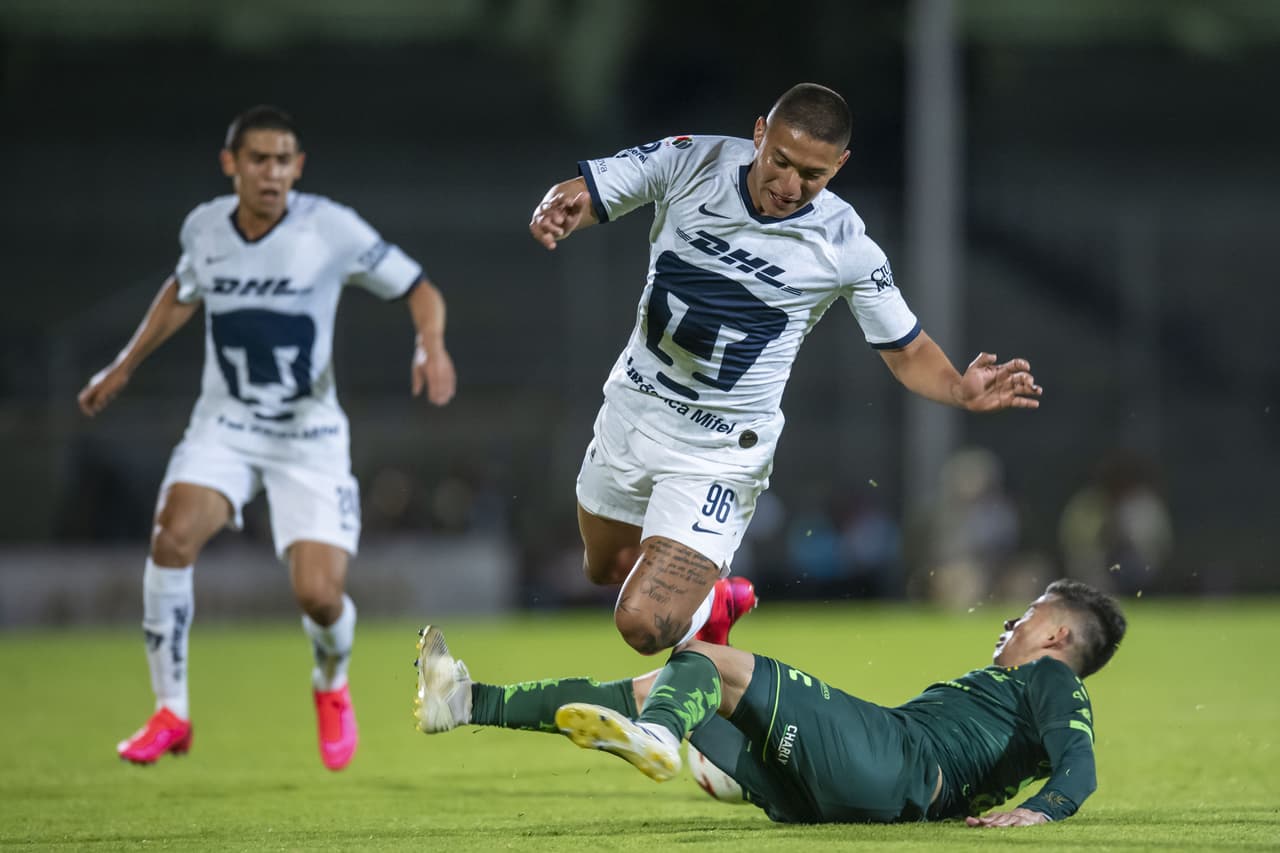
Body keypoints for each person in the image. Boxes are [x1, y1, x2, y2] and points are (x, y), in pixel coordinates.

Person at [527, 82, 1042, 658]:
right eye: (781, 161)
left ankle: (709, 633)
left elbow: (907, 347)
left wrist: (958, 388)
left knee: (644, 623)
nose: (791, 186)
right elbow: (590, 190)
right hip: (633, 410)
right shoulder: (690, 160)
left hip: (720, 449)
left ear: (839, 166)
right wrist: (562, 206)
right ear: (758, 136)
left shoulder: (845, 244)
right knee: (608, 568)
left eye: (814, 175)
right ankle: (710, 604)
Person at [78, 105, 457, 770]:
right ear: (231, 164)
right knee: (171, 535)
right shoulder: (204, 227)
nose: (272, 172)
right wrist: (123, 364)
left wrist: (430, 344)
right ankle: (172, 710)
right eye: (258, 159)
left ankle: (331, 683)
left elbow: (418, 285)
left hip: (309, 436)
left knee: (318, 594)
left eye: (284, 160)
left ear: (298, 167)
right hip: (224, 427)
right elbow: (180, 290)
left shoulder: (329, 227)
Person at [413, 579, 1125, 827]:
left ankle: (662, 739)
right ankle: (466, 699)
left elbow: (1080, 766)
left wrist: (1043, 809)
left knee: (702, 662)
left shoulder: (1053, 679)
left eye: (1029, 614)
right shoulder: (1006, 695)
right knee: (661, 685)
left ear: (1058, 632)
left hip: (896, 761)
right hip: (861, 794)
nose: (1012, 622)